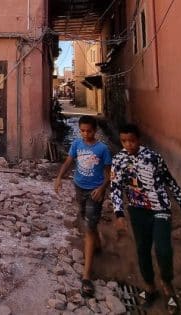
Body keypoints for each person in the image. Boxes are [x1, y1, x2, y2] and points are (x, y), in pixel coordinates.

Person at [109, 124, 181, 314]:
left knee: (164, 249)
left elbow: (169, 180)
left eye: (132, 140)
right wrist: (119, 213)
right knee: (142, 249)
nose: (128, 144)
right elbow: (115, 188)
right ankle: (149, 286)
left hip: (160, 207)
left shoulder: (153, 157)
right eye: (124, 141)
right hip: (138, 210)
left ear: (139, 139)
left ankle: (167, 282)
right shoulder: (119, 161)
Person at [54, 115, 112, 298]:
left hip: (95, 192)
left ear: (95, 131)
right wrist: (59, 177)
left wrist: (102, 188)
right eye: (83, 131)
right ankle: (99, 245)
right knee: (87, 221)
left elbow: (110, 174)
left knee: (88, 227)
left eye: (89, 131)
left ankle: (86, 277)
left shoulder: (102, 149)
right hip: (79, 189)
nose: (86, 134)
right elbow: (69, 162)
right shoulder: (77, 145)